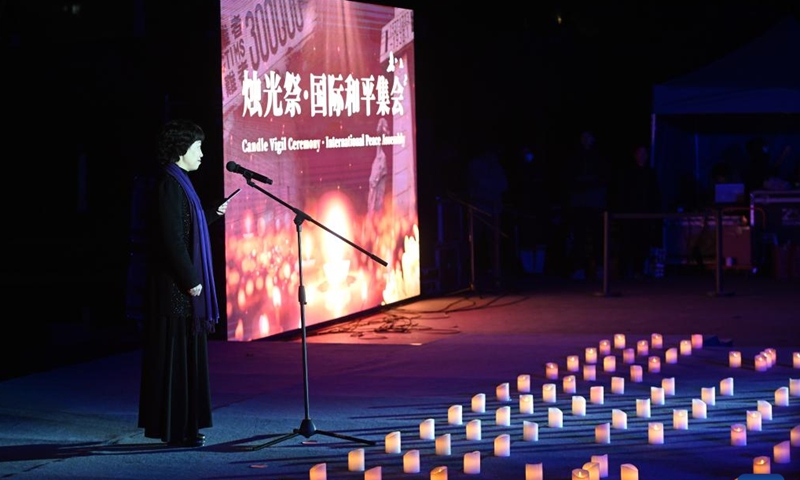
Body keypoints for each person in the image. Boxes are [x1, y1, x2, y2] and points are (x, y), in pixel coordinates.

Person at [138, 119, 230, 447]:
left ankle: (186, 426)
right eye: (197, 148)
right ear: (181, 150)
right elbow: (172, 239)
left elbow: (187, 225)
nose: (202, 154)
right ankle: (175, 429)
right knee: (175, 360)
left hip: (183, 290)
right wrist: (191, 279)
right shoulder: (169, 184)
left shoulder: (182, 183)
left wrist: (212, 213)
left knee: (188, 360)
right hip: (174, 290)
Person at [565, 129, 608, 280]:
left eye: (588, 136)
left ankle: (599, 268)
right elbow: (569, 179)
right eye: (583, 136)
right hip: (579, 204)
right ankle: (579, 268)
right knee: (579, 238)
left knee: (598, 237)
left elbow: (604, 178)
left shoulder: (599, 156)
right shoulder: (574, 156)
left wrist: (590, 183)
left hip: (596, 203)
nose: (585, 139)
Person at [617, 144, 662, 279]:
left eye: (644, 153)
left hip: (645, 213)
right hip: (630, 213)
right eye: (639, 153)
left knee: (642, 243)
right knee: (627, 242)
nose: (642, 156)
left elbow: (654, 193)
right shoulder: (628, 172)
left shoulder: (650, 172)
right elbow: (623, 193)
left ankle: (638, 269)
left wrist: (654, 211)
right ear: (635, 155)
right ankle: (624, 271)